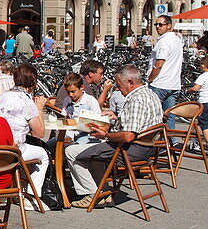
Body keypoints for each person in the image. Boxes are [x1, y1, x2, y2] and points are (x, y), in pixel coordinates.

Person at [65, 65, 163, 208]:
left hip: (130, 149)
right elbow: (138, 123)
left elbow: (128, 135)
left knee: (72, 152)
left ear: (130, 82)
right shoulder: (150, 94)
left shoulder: (136, 100)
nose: (117, 88)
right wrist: (117, 118)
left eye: (119, 84)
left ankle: (92, 194)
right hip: (146, 148)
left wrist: (106, 134)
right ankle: (104, 192)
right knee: (93, 151)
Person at [0, 63, 49, 211]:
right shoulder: (26, 101)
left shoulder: (1, 97)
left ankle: (20, 189)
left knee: (28, 151)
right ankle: (31, 197)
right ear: (32, 83)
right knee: (43, 155)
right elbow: (39, 133)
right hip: (15, 150)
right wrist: (40, 109)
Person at [147, 15, 184, 132]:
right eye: (156, 24)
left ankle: (151, 143)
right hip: (173, 84)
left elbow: (159, 64)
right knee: (170, 116)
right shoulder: (177, 40)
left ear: (169, 26)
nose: (158, 27)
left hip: (160, 84)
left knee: (151, 115)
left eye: (161, 25)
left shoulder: (164, 41)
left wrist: (150, 79)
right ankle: (171, 143)